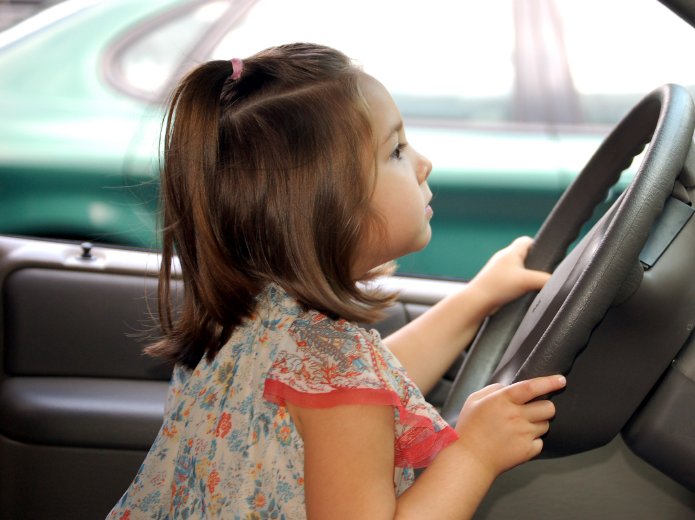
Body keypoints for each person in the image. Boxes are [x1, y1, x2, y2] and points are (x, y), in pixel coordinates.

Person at [108, 43, 565, 520]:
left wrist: (477, 299)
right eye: (396, 151)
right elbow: (357, 399)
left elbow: (376, 384)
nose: (423, 163)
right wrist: (475, 454)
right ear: (328, 209)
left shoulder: (251, 321)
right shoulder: (334, 378)